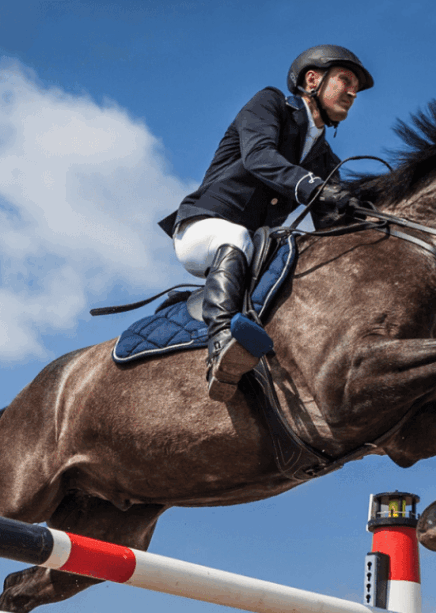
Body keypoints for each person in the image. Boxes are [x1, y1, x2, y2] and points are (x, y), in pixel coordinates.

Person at [158, 45, 373, 401]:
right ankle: (222, 343)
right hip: (203, 228)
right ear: (312, 79)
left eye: (356, 88)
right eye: (346, 80)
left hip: (255, 246)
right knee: (238, 237)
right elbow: (259, 157)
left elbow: (332, 227)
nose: (352, 92)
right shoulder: (269, 103)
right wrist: (314, 187)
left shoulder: (325, 158)